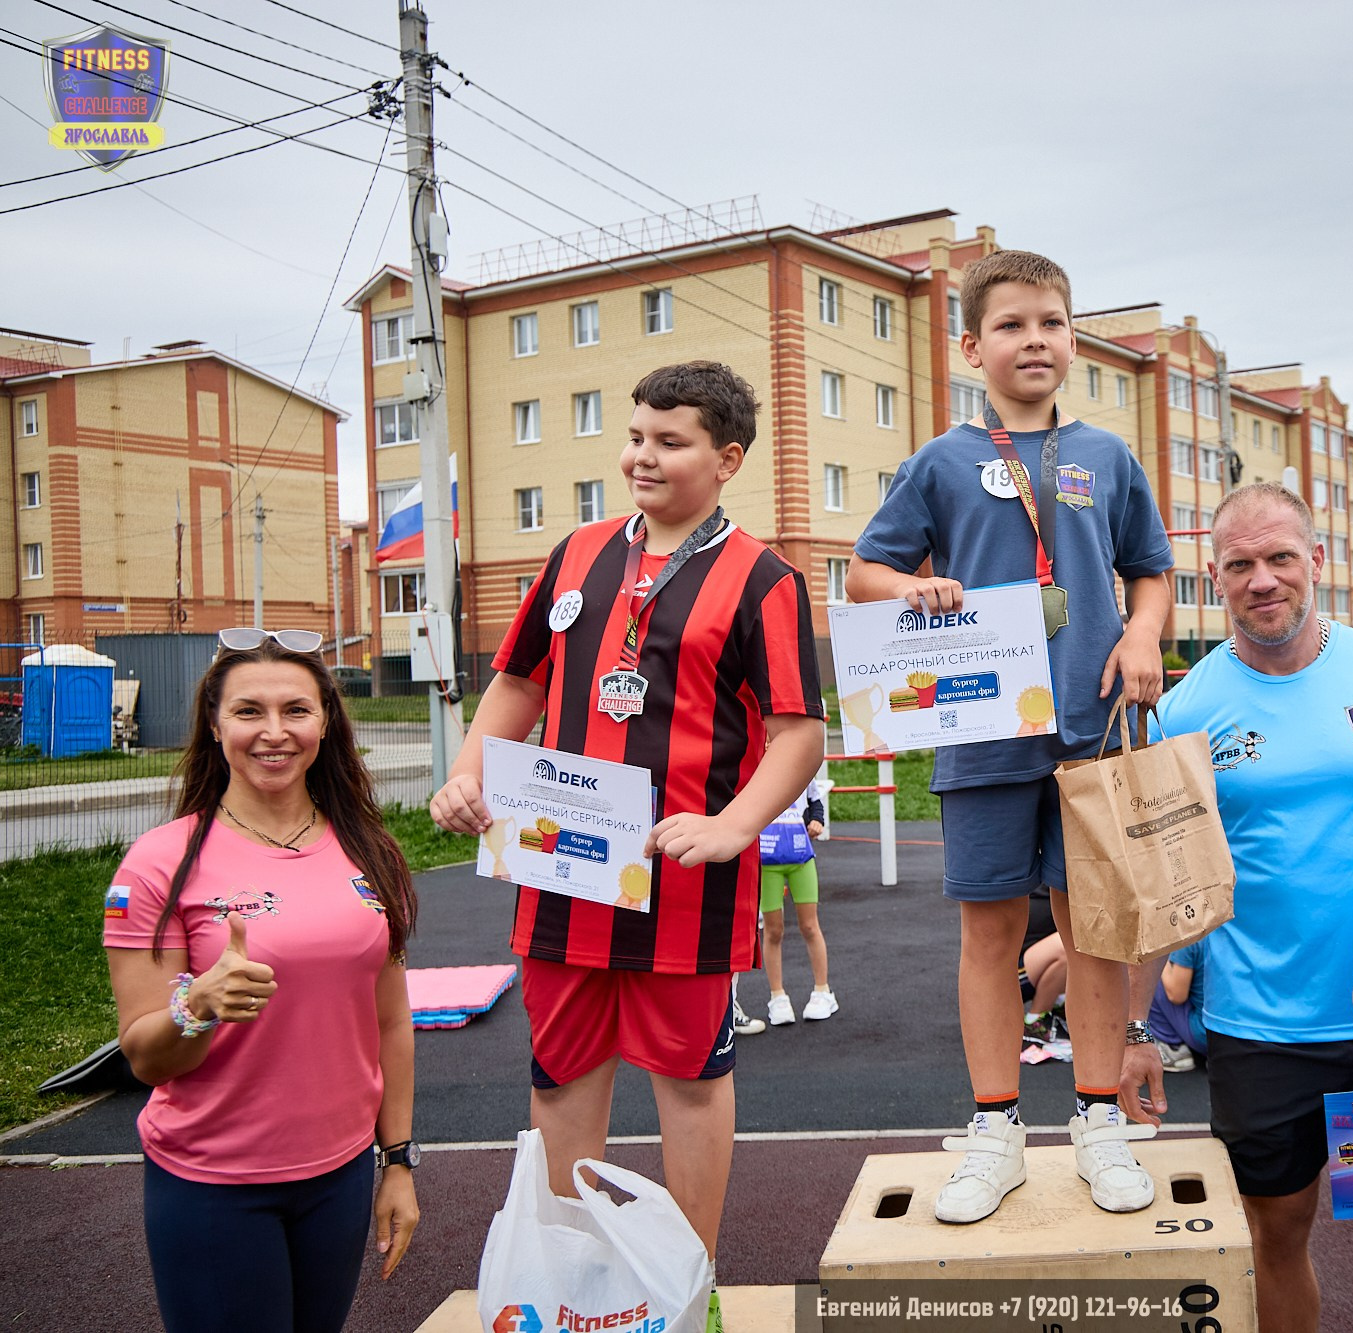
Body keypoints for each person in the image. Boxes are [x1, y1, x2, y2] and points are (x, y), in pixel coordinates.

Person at [429, 362, 825, 1283]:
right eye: (636, 435)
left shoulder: (764, 577)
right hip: (559, 866)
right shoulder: (576, 553)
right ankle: (572, 1279)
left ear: (727, 459)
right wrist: (466, 774)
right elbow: (518, 683)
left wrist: (733, 825)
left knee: (690, 1083)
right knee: (562, 1074)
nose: (642, 456)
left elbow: (800, 735)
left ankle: (689, 1283)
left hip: (686, 881)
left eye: (669, 441)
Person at [846, 249, 1176, 1224]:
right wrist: (913, 587)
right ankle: (995, 1128)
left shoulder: (1106, 456)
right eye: (1011, 324)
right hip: (984, 729)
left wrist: (1145, 633)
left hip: (1092, 731)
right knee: (989, 933)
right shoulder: (940, 461)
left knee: (1094, 932)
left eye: (1051, 323)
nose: (1034, 339)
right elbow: (866, 572)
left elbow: (1150, 569)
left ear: (1072, 340)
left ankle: (1098, 1117)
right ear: (970, 346)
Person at [1145, 483, 1353, 1333]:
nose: (1262, 579)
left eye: (1280, 557)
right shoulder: (1183, 711)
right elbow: (1166, 885)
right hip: (1259, 1027)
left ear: (1316, 561)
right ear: (1215, 576)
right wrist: (1137, 1026)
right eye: (1240, 564)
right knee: (1276, 1232)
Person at [103, 628, 420, 1333]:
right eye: (249, 711)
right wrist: (197, 1005)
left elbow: (391, 1020)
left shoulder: (370, 849)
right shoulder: (158, 864)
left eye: (295, 710)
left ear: (325, 722)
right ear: (215, 726)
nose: (274, 732)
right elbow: (145, 1056)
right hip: (214, 1185)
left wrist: (397, 1159)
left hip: (339, 1177)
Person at [758, 777, 836, 1025]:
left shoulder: (800, 764)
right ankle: (777, 996)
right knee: (773, 931)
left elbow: (815, 801)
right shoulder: (753, 766)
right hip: (766, 859)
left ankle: (823, 991)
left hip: (800, 856)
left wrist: (817, 821)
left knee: (810, 926)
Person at [1144, 937, 1208, 1072]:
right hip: (1240, 1031)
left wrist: (1160, 954)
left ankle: (1173, 1048)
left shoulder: (1189, 938)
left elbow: (1177, 996)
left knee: (1148, 970)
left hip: (1205, 1035)